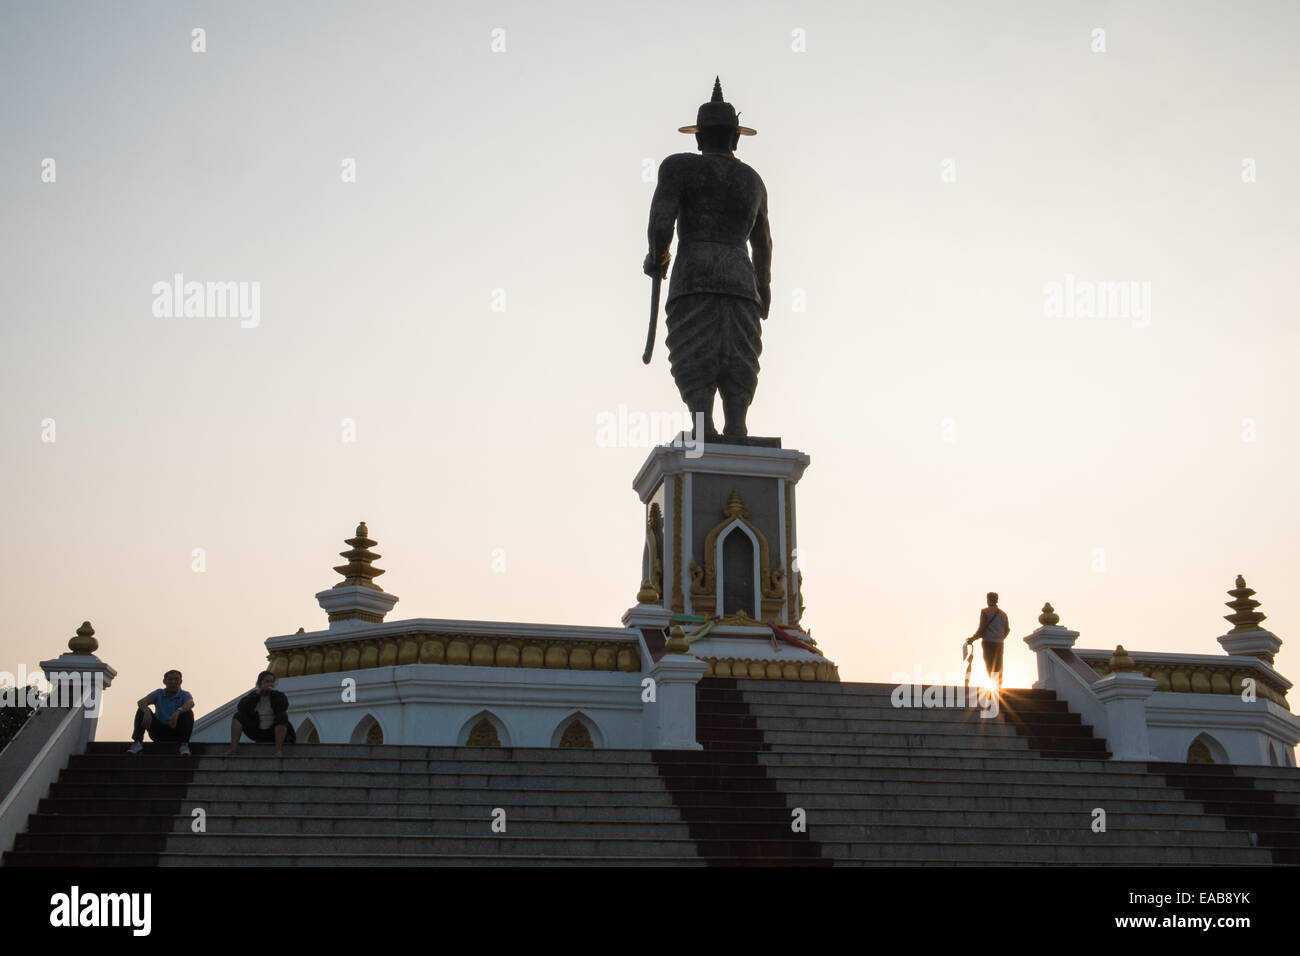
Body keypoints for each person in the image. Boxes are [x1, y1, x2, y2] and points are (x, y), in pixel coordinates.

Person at [645, 77, 771, 443]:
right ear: (734, 138)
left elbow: (659, 223)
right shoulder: (753, 181)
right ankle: (737, 427)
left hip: (694, 274)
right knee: (739, 351)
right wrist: (763, 287)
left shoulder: (679, 168)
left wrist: (657, 257)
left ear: (699, 138)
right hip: (740, 278)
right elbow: (763, 243)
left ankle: (704, 428)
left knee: (694, 347)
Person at [224, 671, 295, 757]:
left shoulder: (279, 696)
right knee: (238, 716)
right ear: (260, 683)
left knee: (283, 716)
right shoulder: (253, 695)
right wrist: (257, 695)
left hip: (272, 732)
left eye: (272, 682)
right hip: (256, 730)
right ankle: (233, 749)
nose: (269, 684)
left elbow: (282, 707)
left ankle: (278, 751)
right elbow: (242, 708)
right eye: (266, 681)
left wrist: (274, 694)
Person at [128, 669, 195, 755]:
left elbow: (190, 703)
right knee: (141, 710)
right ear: (164, 681)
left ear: (180, 681)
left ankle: (184, 745)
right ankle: (137, 744)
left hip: (176, 732)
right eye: (170, 679)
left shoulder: (184, 694)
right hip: (158, 732)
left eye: (176, 679)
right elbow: (141, 701)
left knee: (188, 713)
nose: (173, 682)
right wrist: (146, 710)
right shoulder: (159, 693)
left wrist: (177, 712)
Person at [965, 592, 1009, 690]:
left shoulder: (985, 611)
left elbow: (982, 628)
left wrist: (972, 639)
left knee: (989, 663)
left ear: (988, 599)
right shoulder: (1003, 614)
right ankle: (999, 686)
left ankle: (994, 684)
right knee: (998, 664)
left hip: (988, 642)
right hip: (1000, 643)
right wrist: (1000, 637)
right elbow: (1007, 630)